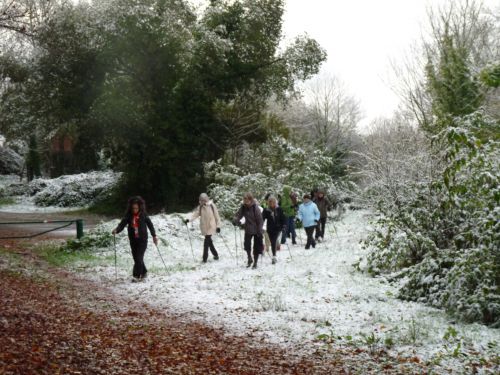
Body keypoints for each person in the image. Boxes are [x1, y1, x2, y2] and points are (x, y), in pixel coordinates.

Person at [112, 196, 158, 282]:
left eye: (136, 208)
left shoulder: (144, 215)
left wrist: (154, 235)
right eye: (133, 208)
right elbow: (122, 224)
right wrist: (116, 230)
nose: (134, 210)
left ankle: (136, 276)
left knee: (138, 257)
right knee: (136, 258)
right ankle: (144, 272)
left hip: (142, 240)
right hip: (133, 240)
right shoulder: (128, 215)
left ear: (140, 207)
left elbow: (150, 225)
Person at [184, 193, 221, 263]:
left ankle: (204, 259)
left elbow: (217, 216)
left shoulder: (212, 206)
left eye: (204, 200)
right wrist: (188, 220)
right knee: (209, 242)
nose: (203, 202)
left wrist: (218, 226)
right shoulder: (200, 207)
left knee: (206, 242)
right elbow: (195, 215)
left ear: (207, 199)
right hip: (204, 227)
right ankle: (215, 255)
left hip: (211, 226)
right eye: (201, 200)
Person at [233, 192, 264, 269]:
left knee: (256, 247)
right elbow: (238, 215)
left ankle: (255, 262)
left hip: (257, 229)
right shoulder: (243, 207)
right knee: (247, 245)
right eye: (244, 199)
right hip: (248, 229)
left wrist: (260, 230)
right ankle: (249, 258)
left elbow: (260, 220)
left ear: (250, 199)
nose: (245, 201)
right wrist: (235, 220)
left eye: (247, 199)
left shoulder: (255, 208)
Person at [262, 196, 286, 264]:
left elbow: (283, 218)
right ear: (269, 203)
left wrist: (284, 225)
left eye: (273, 202)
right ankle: (274, 255)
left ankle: (274, 256)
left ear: (275, 202)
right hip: (270, 229)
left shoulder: (279, 209)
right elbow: (262, 218)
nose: (272, 203)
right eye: (270, 202)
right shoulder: (266, 210)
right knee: (272, 241)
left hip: (278, 228)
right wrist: (260, 225)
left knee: (273, 241)